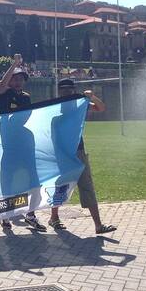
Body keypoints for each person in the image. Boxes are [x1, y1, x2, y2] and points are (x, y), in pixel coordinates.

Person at [50, 79, 117, 234]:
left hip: (78, 151)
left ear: (74, 90)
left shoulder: (81, 105)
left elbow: (101, 108)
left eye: (69, 88)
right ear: (59, 90)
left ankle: (98, 225)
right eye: (63, 89)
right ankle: (54, 217)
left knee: (87, 186)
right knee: (60, 186)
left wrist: (92, 97)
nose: (67, 91)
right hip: (63, 153)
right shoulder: (53, 108)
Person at [0, 55, 47, 232]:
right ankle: (5, 216)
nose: (17, 82)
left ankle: (31, 214)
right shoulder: (5, 94)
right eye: (14, 79)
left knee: (34, 182)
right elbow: (1, 86)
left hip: (26, 144)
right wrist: (14, 65)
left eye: (20, 79)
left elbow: (28, 118)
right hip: (10, 146)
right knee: (8, 183)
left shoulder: (26, 97)